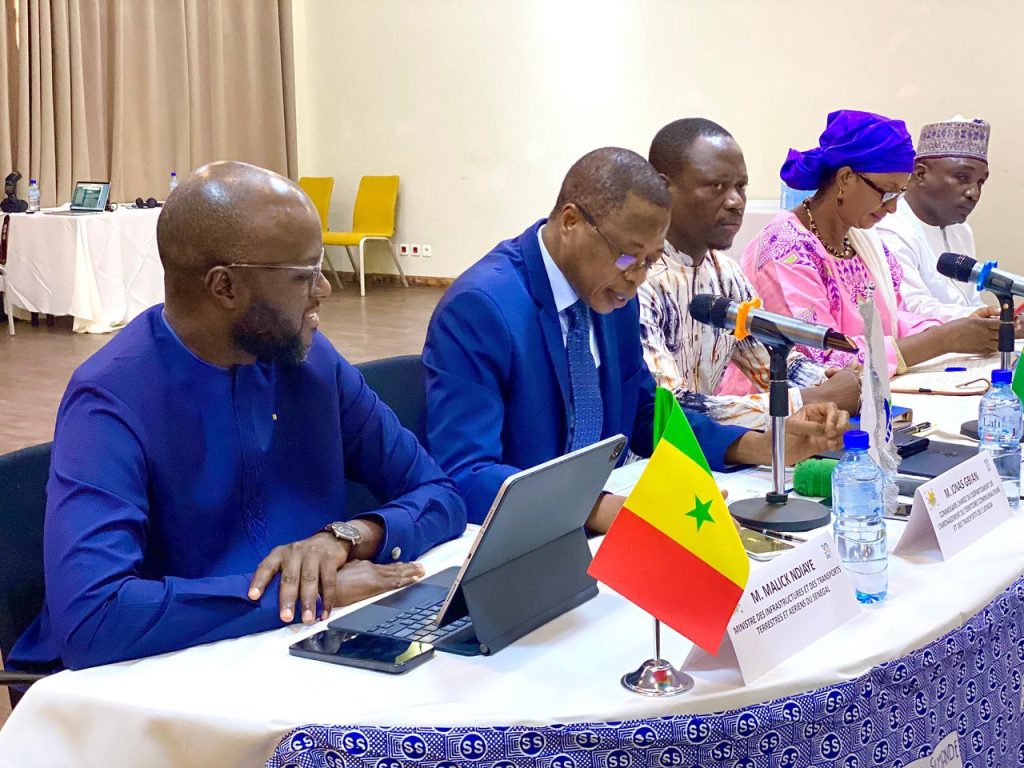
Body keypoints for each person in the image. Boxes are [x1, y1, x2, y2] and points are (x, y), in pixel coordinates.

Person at [9, 162, 466, 672]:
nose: (323, 289)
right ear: (225, 287)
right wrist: (311, 592)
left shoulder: (312, 362)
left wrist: (351, 536)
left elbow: (441, 495)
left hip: (310, 652)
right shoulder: (111, 400)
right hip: (179, 674)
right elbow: (93, 619)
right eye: (303, 275)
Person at [424, 148, 848, 532]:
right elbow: (466, 474)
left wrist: (761, 446)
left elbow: (645, 414)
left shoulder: (613, 295)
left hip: (595, 519)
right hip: (519, 538)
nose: (638, 277)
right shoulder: (482, 308)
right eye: (629, 256)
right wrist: (601, 509)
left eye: (651, 260)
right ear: (571, 222)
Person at [640, 118, 861, 431]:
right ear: (664, 189)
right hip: (650, 456)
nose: (735, 202)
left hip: (707, 449)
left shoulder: (724, 272)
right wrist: (810, 399)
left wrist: (827, 380)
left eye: (740, 187)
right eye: (716, 186)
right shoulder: (638, 279)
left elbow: (768, 358)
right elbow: (668, 408)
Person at [741, 110, 999, 377]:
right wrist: (942, 340)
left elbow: (897, 319)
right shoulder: (785, 249)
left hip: (865, 391)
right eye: (886, 193)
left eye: (899, 194)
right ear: (845, 178)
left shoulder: (864, 243)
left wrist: (958, 329)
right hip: (787, 399)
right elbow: (822, 357)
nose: (892, 208)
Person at [876, 116, 990, 322]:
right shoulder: (889, 227)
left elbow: (971, 301)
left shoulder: (961, 231)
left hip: (968, 337)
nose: (974, 193)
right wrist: (987, 320)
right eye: (962, 177)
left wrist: (1002, 319)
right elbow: (911, 308)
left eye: (980, 182)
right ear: (920, 174)